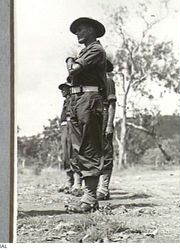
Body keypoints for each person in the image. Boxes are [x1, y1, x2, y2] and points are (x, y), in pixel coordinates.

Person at [64, 17, 107, 213]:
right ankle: (87, 194)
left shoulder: (96, 49)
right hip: (76, 99)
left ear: (91, 30)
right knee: (77, 146)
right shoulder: (86, 51)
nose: (78, 34)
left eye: (81, 30)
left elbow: (73, 70)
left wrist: (69, 59)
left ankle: (90, 196)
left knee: (89, 145)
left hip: (89, 99)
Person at [57, 82, 82, 194]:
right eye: (61, 89)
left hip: (72, 127)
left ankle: (77, 183)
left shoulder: (74, 99)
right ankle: (69, 181)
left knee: (74, 153)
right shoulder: (65, 101)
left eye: (64, 88)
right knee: (66, 154)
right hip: (64, 129)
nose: (62, 91)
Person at [97, 60, 116, 200]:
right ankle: (95, 187)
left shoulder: (108, 81)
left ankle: (104, 188)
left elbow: (111, 104)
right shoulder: (93, 82)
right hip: (93, 117)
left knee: (106, 152)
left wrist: (109, 124)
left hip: (104, 116)